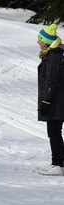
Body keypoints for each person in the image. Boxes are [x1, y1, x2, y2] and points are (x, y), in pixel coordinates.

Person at [37, 24, 64, 176]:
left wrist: (46, 101)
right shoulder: (52, 54)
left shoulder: (53, 56)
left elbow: (51, 81)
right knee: (53, 132)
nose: (37, 43)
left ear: (46, 41)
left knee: (54, 132)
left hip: (56, 102)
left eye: (39, 39)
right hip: (56, 100)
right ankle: (57, 163)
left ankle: (58, 165)